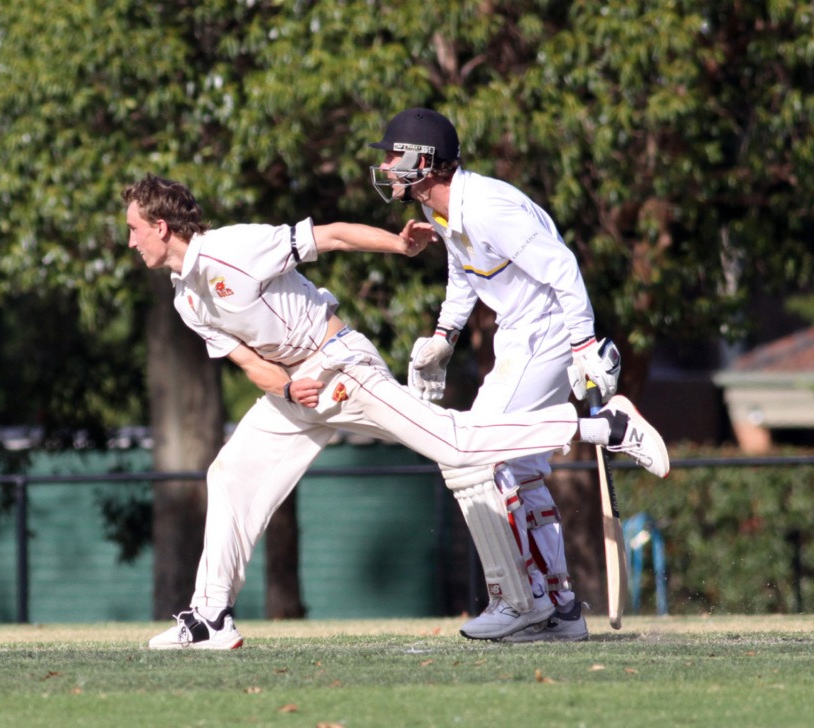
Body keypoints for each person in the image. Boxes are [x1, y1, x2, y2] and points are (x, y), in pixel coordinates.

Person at [118, 174, 669, 650]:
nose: (129, 240)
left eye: (133, 228)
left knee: (458, 446)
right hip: (301, 390)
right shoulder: (185, 298)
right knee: (231, 473)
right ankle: (210, 617)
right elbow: (246, 362)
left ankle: (605, 426)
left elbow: (328, 235)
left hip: (342, 366)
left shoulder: (232, 249)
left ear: (161, 226)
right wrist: (288, 392)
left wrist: (399, 246)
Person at [371, 107, 622, 642]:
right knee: (519, 465)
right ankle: (558, 608)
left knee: (480, 452)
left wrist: (582, 344)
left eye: (395, 156)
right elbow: (464, 275)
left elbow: (562, 267)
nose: (388, 167)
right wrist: (444, 337)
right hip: (519, 334)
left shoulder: (487, 206)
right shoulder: (444, 211)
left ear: (425, 161)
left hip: (547, 331)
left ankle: (521, 600)